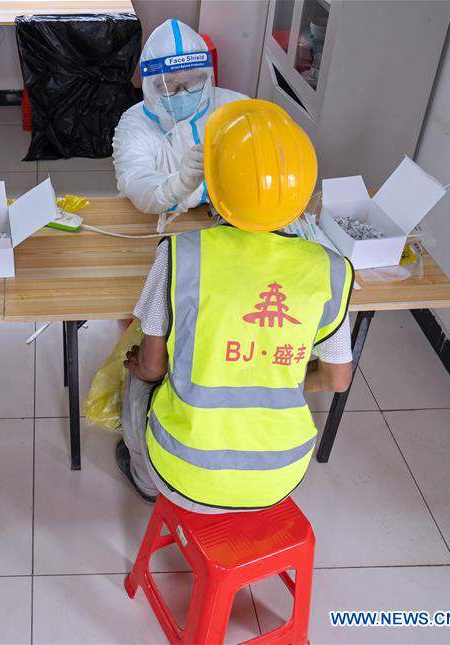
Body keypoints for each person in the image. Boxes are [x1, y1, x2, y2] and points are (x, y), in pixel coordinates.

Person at [116, 100, 354, 512]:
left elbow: (154, 367)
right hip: (281, 477)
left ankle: (145, 479)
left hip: (183, 470)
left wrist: (141, 367)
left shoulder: (180, 255)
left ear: (215, 185)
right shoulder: (330, 269)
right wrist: (270, 376)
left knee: (138, 374)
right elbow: (336, 380)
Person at [113, 19, 247, 228]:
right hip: (157, 221)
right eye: (170, 86)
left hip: (227, 220)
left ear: (207, 77)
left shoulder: (237, 109)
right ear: (150, 85)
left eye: (193, 82)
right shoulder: (135, 125)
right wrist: (179, 184)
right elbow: (137, 184)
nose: (183, 93)